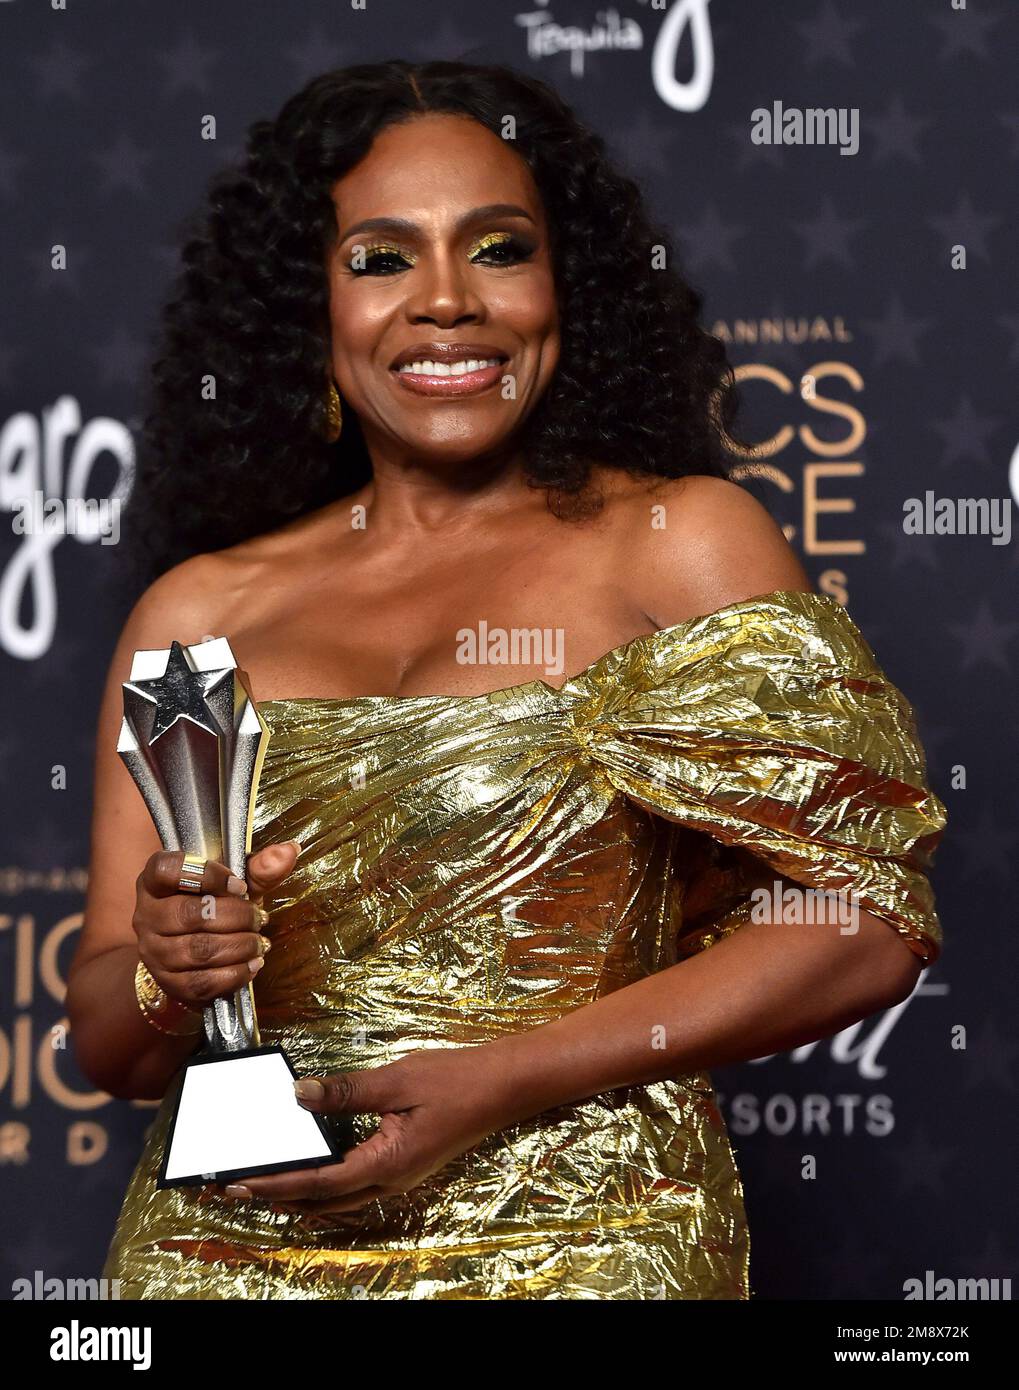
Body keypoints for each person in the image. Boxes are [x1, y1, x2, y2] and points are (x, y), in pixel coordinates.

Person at [67, 60, 947, 1300]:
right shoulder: (204, 608)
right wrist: (169, 963)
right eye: (379, 259)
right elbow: (107, 1033)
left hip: (589, 1243)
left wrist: (501, 1078)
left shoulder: (676, 541)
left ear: (564, 291)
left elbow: (863, 921)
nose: (445, 302)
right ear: (303, 310)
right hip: (231, 1250)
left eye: (496, 249)